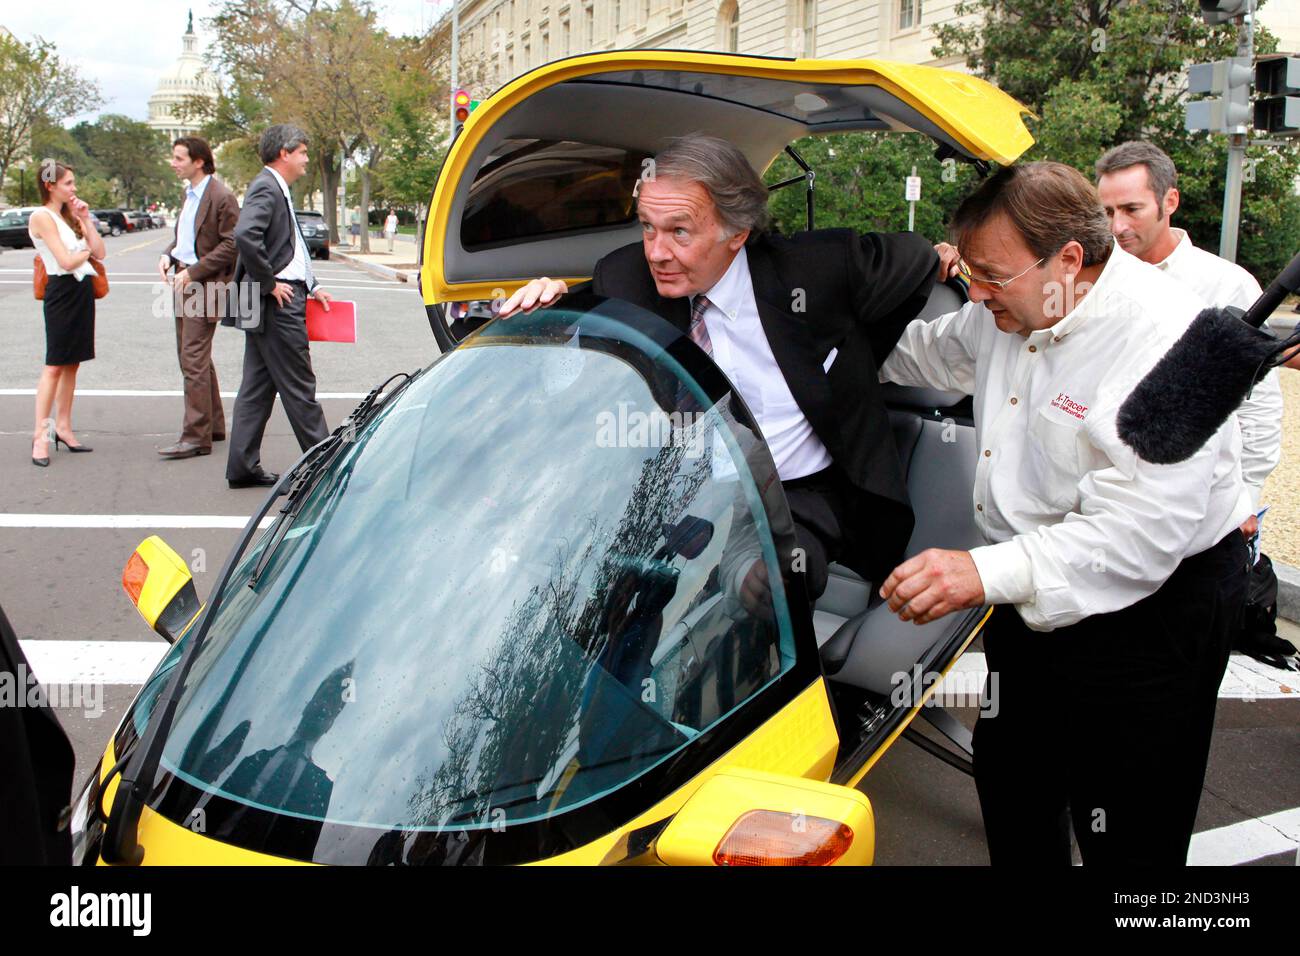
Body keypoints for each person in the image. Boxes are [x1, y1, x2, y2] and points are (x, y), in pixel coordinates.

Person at [878, 162, 1251, 866]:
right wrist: (814, 355)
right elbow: (924, 352)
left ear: (1070, 260)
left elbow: (1138, 534)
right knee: (1014, 782)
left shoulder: (1167, 340)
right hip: (1030, 594)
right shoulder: (1007, 308)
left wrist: (980, 571)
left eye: (991, 275)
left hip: (1158, 609)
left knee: (1131, 818)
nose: (975, 291)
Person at [500, 134, 939, 598]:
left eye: (680, 231)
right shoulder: (624, 278)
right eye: (648, 227)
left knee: (772, 588)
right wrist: (545, 312)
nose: (656, 252)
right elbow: (569, 372)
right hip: (678, 488)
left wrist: (860, 354)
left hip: (796, 493)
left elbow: (918, 260)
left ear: (738, 232)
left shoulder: (819, 270)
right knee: (606, 589)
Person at [1094, 140, 1281, 538]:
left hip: (1201, 512)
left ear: (1170, 201)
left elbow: (1258, 404)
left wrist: (1245, 496)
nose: (1117, 227)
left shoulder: (1226, 285)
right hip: (1110, 505)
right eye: (1107, 212)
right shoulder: (1092, 280)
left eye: (1131, 209)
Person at [223, 124, 332, 489]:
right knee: (301, 387)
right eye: (302, 151)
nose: (305, 159)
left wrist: (311, 285)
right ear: (284, 153)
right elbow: (245, 235)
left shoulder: (274, 187)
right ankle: (326, 470)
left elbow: (289, 247)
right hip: (276, 305)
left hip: (272, 301)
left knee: (256, 387)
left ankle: (241, 467)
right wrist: (270, 284)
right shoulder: (267, 186)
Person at [156, 136, 240, 460]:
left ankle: (195, 437)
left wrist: (193, 271)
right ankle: (214, 426)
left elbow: (233, 244)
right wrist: (168, 255)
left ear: (199, 161)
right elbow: (184, 239)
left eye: (179, 158)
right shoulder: (189, 194)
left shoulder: (221, 196)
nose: (173, 163)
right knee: (195, 357)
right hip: (184, 280)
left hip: (205, 284)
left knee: (192, 358)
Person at [28, 160, 107, 467]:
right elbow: (66, 260)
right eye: (68, 183)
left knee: (72, 364)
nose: (74, 189)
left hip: (82, 292)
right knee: (54, 365)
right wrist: (86, 248)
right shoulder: (42, 216)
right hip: (61, 291)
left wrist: (85, 221)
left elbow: (100, 252)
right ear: (50, 185)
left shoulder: (69, 215)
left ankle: (63, 427)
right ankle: (40, 436)